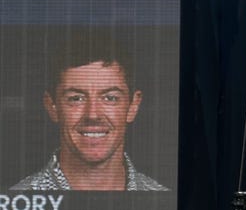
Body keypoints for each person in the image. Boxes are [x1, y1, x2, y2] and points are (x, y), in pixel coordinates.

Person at [11, 37, 166, 191]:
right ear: (52, 106)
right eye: (76, 98)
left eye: (110, 98)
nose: (93, 114)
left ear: (133, 106)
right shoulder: (13, 205)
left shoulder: (164, 202)